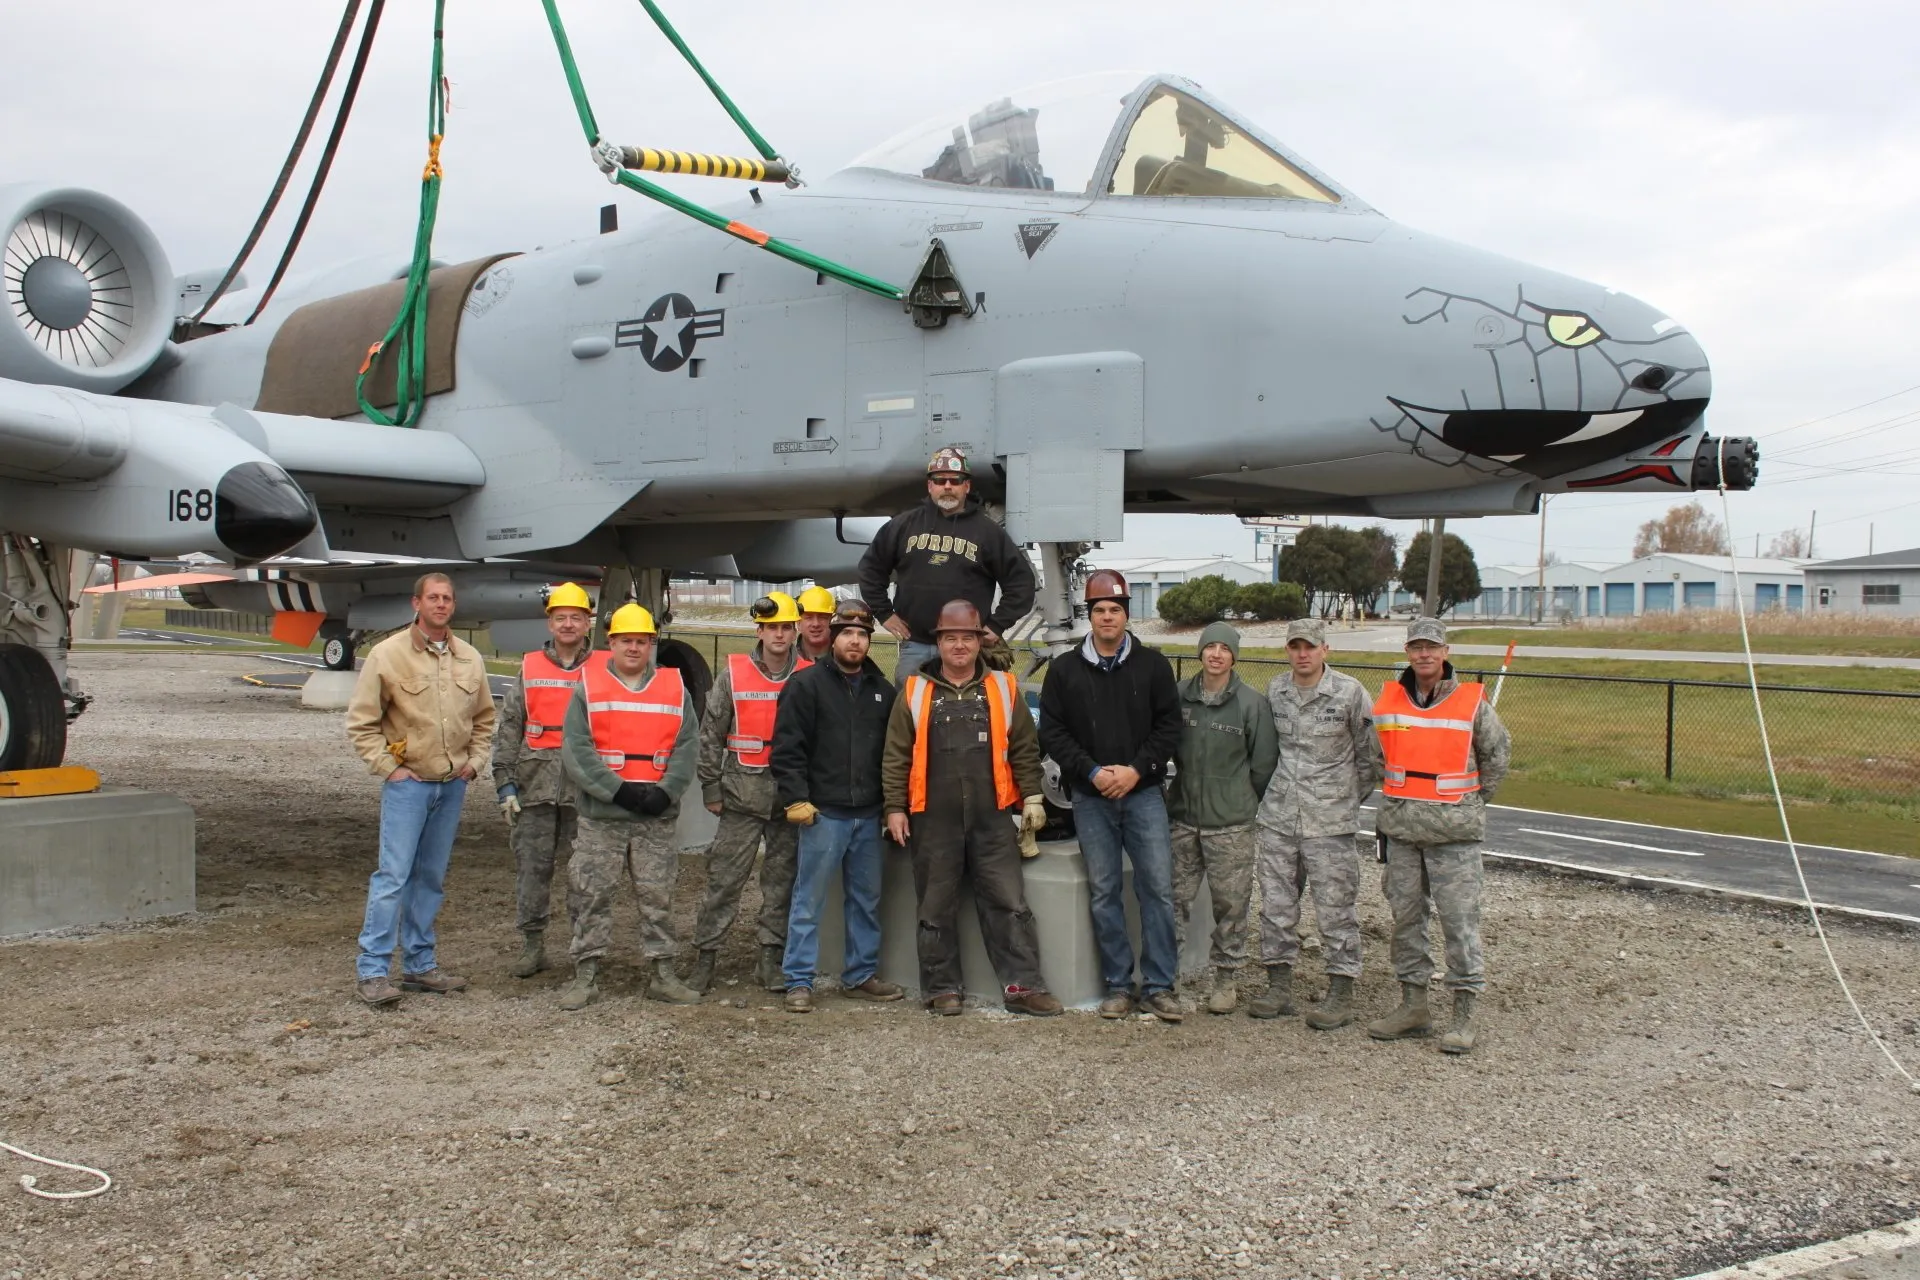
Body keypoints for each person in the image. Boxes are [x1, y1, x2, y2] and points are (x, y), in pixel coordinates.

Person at [882, 600, 1062, 1017]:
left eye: (967, 637)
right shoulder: (914, 691)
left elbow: (1024, 747)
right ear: (939, 643)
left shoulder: (1003, 687)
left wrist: (1032, 797)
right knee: (935, 906)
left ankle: (1023, 987)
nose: (959, 645)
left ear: (980, 642)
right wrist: (895, 807)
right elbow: (895, 755)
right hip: (932, 818)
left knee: (1009, 903)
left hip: (992, 818)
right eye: (950, 638)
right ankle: (942, 988)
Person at [1037, 569, 1185, 1022]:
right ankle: (1118, 985)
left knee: (1157, 889)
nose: (1107, 617)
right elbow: (1053, 731)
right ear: (1090, 614)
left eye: (1115, 610)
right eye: (1099, 609)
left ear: (1126, 614)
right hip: (1091, 798)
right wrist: (1092, 772)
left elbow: (1169, 727)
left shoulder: (1153, 666)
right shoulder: (1064, 670)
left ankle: (1159, 986)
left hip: (1143, 795)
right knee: (1104, 892)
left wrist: (1136, 770)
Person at [345, 572, 495, 1006]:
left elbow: (484, 719)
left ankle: (419, 965)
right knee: (393, 877)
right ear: (417, 603)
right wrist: (389, 769)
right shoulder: (387, 655)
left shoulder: (470, 658)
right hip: (408, 786)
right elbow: (362, 722)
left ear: (454, 605)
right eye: (433, 597)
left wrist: (474, 764)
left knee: (430, 878)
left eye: (447, 598)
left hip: (451, 786)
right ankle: (373, 971)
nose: (441, 604)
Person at [1366, 618, 1510, 1054]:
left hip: (1454, 836)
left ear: (1445, 652)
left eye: (1431, 647)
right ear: (1407, 652)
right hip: (1402, 832)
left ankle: (1463, 1014)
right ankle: (1414, 1007)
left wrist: (1465, 805)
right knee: (1406, 920)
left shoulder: (1472, 703)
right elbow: (1377, 757)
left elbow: (1496, 757)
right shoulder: (1389, 701)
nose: (1424, 654)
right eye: (1416, 647)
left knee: (1458, 921)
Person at [555, 603, 703, 1011]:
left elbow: (687, 746)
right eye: (626, 641)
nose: (634, 648)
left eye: (641, 641)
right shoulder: (589, 688)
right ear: (611, 642)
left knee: (658, 897)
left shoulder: (674, 689)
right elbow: (577, 749)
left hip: (655, 816)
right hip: (602, 817)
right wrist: (616, 791)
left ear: (651, 643)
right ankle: (586, 975)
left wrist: (666, 792)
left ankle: (663, 975)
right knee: (591, 895)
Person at [768, 601, 904, 1013]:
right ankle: (798, 979)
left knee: (866, 901)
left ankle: (860, 975)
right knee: (808, 901)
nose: (855, 641)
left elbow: (893, 755)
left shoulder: (883, 692)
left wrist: (890, 805)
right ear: (833, 637)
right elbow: (787, 748)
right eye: (847, 633)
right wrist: (796, 797)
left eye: (862, 635)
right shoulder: (805, 686)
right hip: (823, 815)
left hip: (868, 815)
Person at [1251, 618, 1382, 1026]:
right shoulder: (1276, 690)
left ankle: (1340, 991)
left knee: (1336, 909)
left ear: (1325, 649)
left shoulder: (1350, 693)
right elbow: (1268, 750)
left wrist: (1341, 800)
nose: (1302, 654)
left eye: (1310, 646)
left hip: (1330, 824)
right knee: (1276, 905)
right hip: (1279, 819)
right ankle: (1278, 987)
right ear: (1287, 650)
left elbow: (1370, 758)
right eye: (1295, 646)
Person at [690, 592, 810, 994]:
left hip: (790, 800)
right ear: (759, 630)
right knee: (724, 881)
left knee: (781, 884)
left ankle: (769, 960)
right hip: (740, 798)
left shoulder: (809, 675)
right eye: (771, 627)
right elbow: (711, 734)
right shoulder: (733, 674)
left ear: (795, 631)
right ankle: (706, 958)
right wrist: (710, 786)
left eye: (786, 627)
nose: (779, 634)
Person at [1166, 622, 1279, 1016]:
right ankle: (1168, 977)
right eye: (1210, 647)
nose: (1216, 655)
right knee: (1173, 900)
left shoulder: (1252, 704)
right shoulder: (1179, 695)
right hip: (1183, 819)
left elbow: (1263, 764)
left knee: (1231, 905)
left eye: (1225, 648)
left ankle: (1226, 978)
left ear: (1234, 656)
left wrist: (1238, 798)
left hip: (1231, 825)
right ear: (1200, 652)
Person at [491, 581, 595, 980]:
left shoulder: (603, 668)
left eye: (576, 618)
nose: (568, 624)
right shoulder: (530, 666)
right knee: (532, 871)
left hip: (585, 791)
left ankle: (582, 949)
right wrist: (505, 782)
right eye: (560, 618)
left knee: (584, 875)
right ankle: (532, 946)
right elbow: (510, 726)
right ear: (550, 623)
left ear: (587, 623)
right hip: (534, 789)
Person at [857, 447, 1036, 679]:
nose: (948, 486)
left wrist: (996, 625)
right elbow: (871, 569)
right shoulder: (904, 525)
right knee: (911, 702)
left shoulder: (988, 532)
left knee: (969, 703)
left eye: (955, 480)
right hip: (916, 646)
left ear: (966, 486)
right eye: (940, 480)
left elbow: (1021, 582)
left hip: (967, 648)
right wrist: (884, 613)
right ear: (930, 486)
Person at [795, 585, 838, 664]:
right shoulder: (784, 659)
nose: (816, 624)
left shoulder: (844, 659)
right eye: (809, 617)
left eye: (822, 617)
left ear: (832, 621)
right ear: (798, 623)